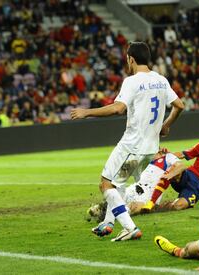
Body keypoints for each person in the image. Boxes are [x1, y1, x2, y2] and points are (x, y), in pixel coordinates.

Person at [71, 41, 184, 241]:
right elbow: (179, 105)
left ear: (130, 59)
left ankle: (130, 227)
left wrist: (86, 112)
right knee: (118, 183)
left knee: (106, 184)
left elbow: (117, 108)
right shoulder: (161, 80)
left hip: (132, 146)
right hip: (149, 148)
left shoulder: (132, 81)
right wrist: (166, 125)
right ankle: (108, 223)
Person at [141, 122, 199, 212]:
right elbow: (182, 154)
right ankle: (151, 202)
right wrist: (169, 154)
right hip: (188, 175)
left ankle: (157, 208)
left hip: (198, 187)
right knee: (174, 169)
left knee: (178, 206)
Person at [87, 152, 184, 222]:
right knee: (103, 186)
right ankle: (104, 207)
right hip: (133, 189)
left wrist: (170, 175)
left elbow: (181, 166)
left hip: (148, 195)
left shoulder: (167, 158)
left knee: (134, 206)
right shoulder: (145, 162)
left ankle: (115, 214)